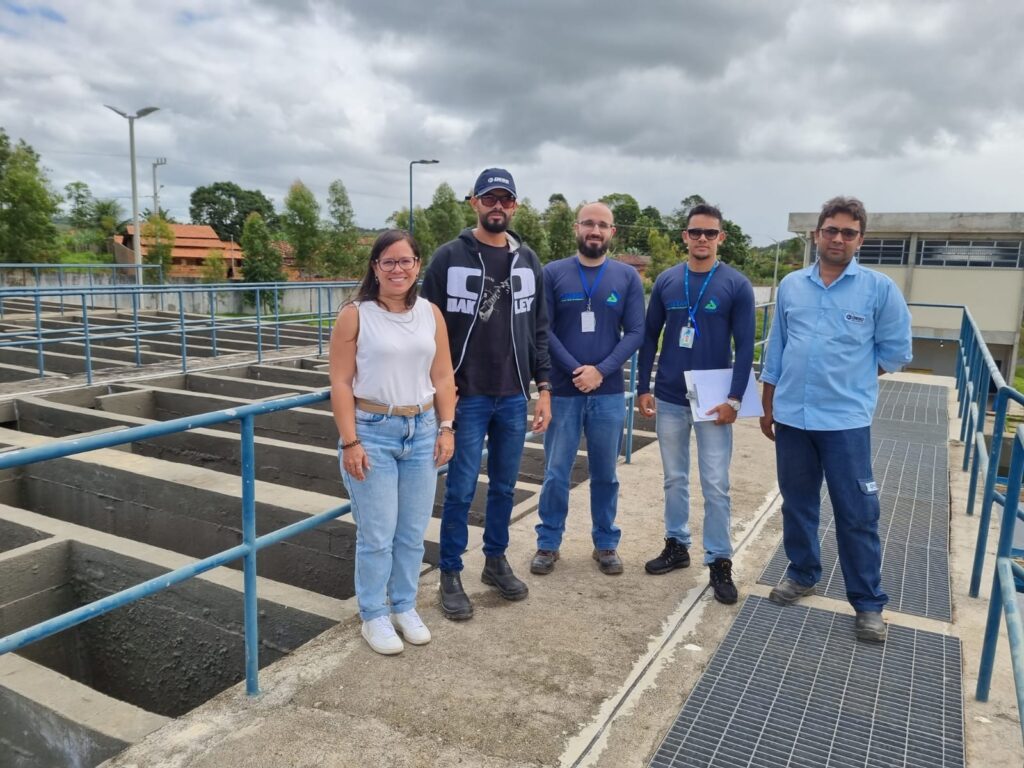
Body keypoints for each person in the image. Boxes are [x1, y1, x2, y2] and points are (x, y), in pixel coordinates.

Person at [759, 196, 912, 643]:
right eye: (831, 230)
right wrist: (768, 406)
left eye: (848, 232)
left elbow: (896, 351)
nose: (838, 238)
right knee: (797, 503)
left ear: (860, 240)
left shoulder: (878, 289)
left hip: (845, 421)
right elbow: (776, 349)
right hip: (793, 417)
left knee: (857, 512)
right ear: (817, 234)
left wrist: (855, 378)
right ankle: (802, 573)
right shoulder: (792, 285)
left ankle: (867, 602)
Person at [421, 167, 551, 621]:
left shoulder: (527, 261)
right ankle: (451, 572)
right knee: (459, 490)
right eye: (489, 198)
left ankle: (495, 561)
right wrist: (439, 389)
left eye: (505, 199)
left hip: (513, 395)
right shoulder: (448, 257)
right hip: (466, 396)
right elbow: (426, 327)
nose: (498, 206)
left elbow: (539, 329)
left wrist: (544, 388)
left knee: (503, 486)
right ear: (474, 202)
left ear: (515, 206)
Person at [329, 229, 456, 655]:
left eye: (406, 261)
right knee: (377, 534)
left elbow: (443, 375)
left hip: (422, 430)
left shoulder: (430, 313)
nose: (397, 269)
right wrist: (350, 442)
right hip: (372, 431)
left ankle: (404, 605)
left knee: (412, 533)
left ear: (418, 266)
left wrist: (446, 426)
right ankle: (374, 614)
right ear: (375, 267)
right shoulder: (355, 315)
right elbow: (341, 382)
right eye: (389, 261)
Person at [636, 203, 755, 604]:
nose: (702, 239)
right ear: (685, 236)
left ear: (721, 237)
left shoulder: (736, 285)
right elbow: (649, 336)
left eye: (710, 233)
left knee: (716, 484)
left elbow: (745, 347)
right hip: (670, 396)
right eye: (695, 232)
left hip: (713, 400)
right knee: (674, 478)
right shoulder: (668, 281)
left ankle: (719, 560)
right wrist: (644, 386)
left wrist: (735, 399)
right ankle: (677, 544)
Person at [531, 202, 644, 576]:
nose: (595, 231)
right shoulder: (553, 273)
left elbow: (636, 332)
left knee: (606, 473)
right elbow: (543, 330)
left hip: (607, 393)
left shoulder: (626, 277)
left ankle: (606, 542)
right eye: (588, 223)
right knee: (556, 472)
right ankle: (548, 543)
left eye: (602, 225)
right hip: (564, 392)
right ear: (576, 228)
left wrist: (601, 371)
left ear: (612, 232)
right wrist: (577, 370)